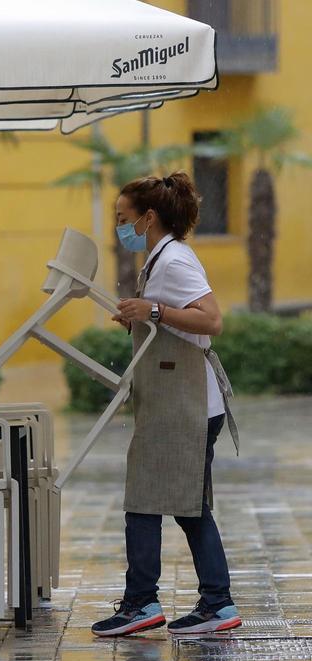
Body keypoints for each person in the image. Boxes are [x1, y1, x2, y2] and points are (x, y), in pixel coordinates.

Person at [92, 172, 241, 637]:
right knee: (174, 503)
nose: (119, 226)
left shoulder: (174, 260)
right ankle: (197, 601)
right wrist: (140, 319)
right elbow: (176, 324)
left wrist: (152, 311)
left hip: (186, 402)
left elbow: (210, 319)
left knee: (160, 502)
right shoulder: (160, 260)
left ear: (148, 217)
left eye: (123, 218)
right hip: (175, 399)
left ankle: (153, 603)